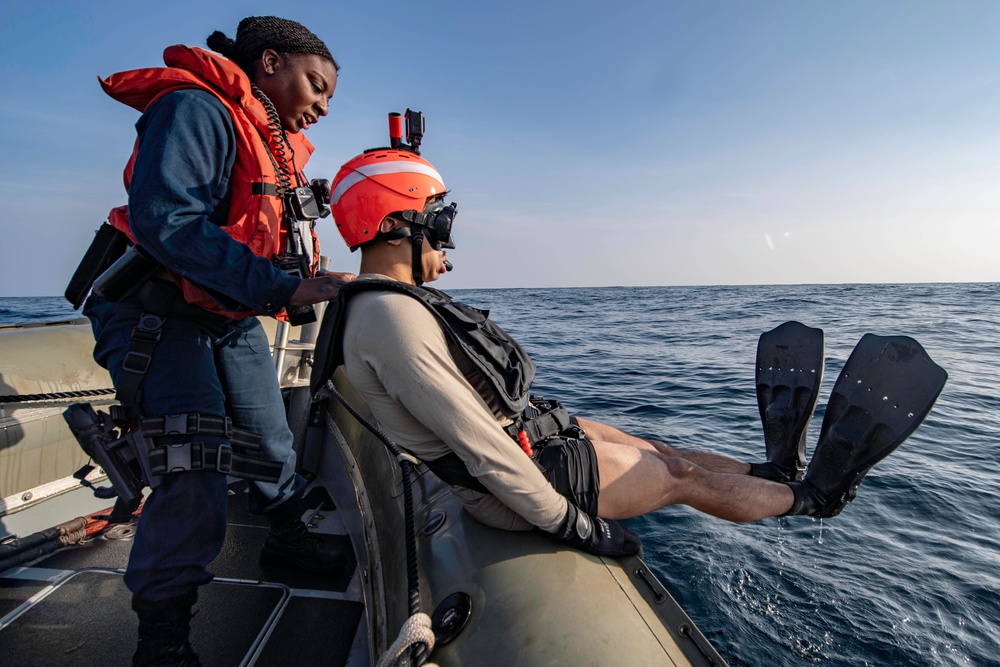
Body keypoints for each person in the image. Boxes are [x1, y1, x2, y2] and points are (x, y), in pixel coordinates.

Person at [318, 141, 946, 560]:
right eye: (440, 219)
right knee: (680, 478)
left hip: (528, 433)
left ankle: (774, 472)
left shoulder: (386, 305)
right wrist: (575, 524)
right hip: (512, 482)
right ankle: (813, 498)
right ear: (395, 221)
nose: (449, 242)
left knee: (659, 449)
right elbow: (482, 451)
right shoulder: (389, 320)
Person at [75, 16, 354, 666]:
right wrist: (276, 286)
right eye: (317, 84)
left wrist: (297, 281)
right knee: (192, 461)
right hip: (154, 311)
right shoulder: (195, 109)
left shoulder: (269, 140)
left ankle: (286, 536)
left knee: (266, 433)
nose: (321, 104)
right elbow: (166, 220)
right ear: (270, 62)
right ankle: (163, 639)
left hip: (223, 312)